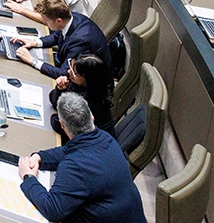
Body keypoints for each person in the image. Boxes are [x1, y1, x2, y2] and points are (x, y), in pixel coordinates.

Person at [18, 93, 147, 223]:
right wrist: (39, 157)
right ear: (92, 118)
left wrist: (29, 178)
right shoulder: (105, 138)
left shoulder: (75, 166)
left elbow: (53, 209)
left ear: (62, 125)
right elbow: (68, 150)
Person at [12, 0, 111, 80]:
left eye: (46, 22)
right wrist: (34, 42)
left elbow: (64, 73)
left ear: (59, 21)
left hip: (90, 88)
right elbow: (56, 36)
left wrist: (32, 61)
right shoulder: (70, 17)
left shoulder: (80, 41)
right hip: (65, 64)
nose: (45, 24)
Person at [50, 54, 115, 140]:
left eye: (75, 73)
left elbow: (60, 125)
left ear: (88, 79)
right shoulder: (80, 85)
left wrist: (56, 115)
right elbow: (54, 100)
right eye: (71, 67)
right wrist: (61, 89)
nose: (69, 71)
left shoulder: (90, 101)